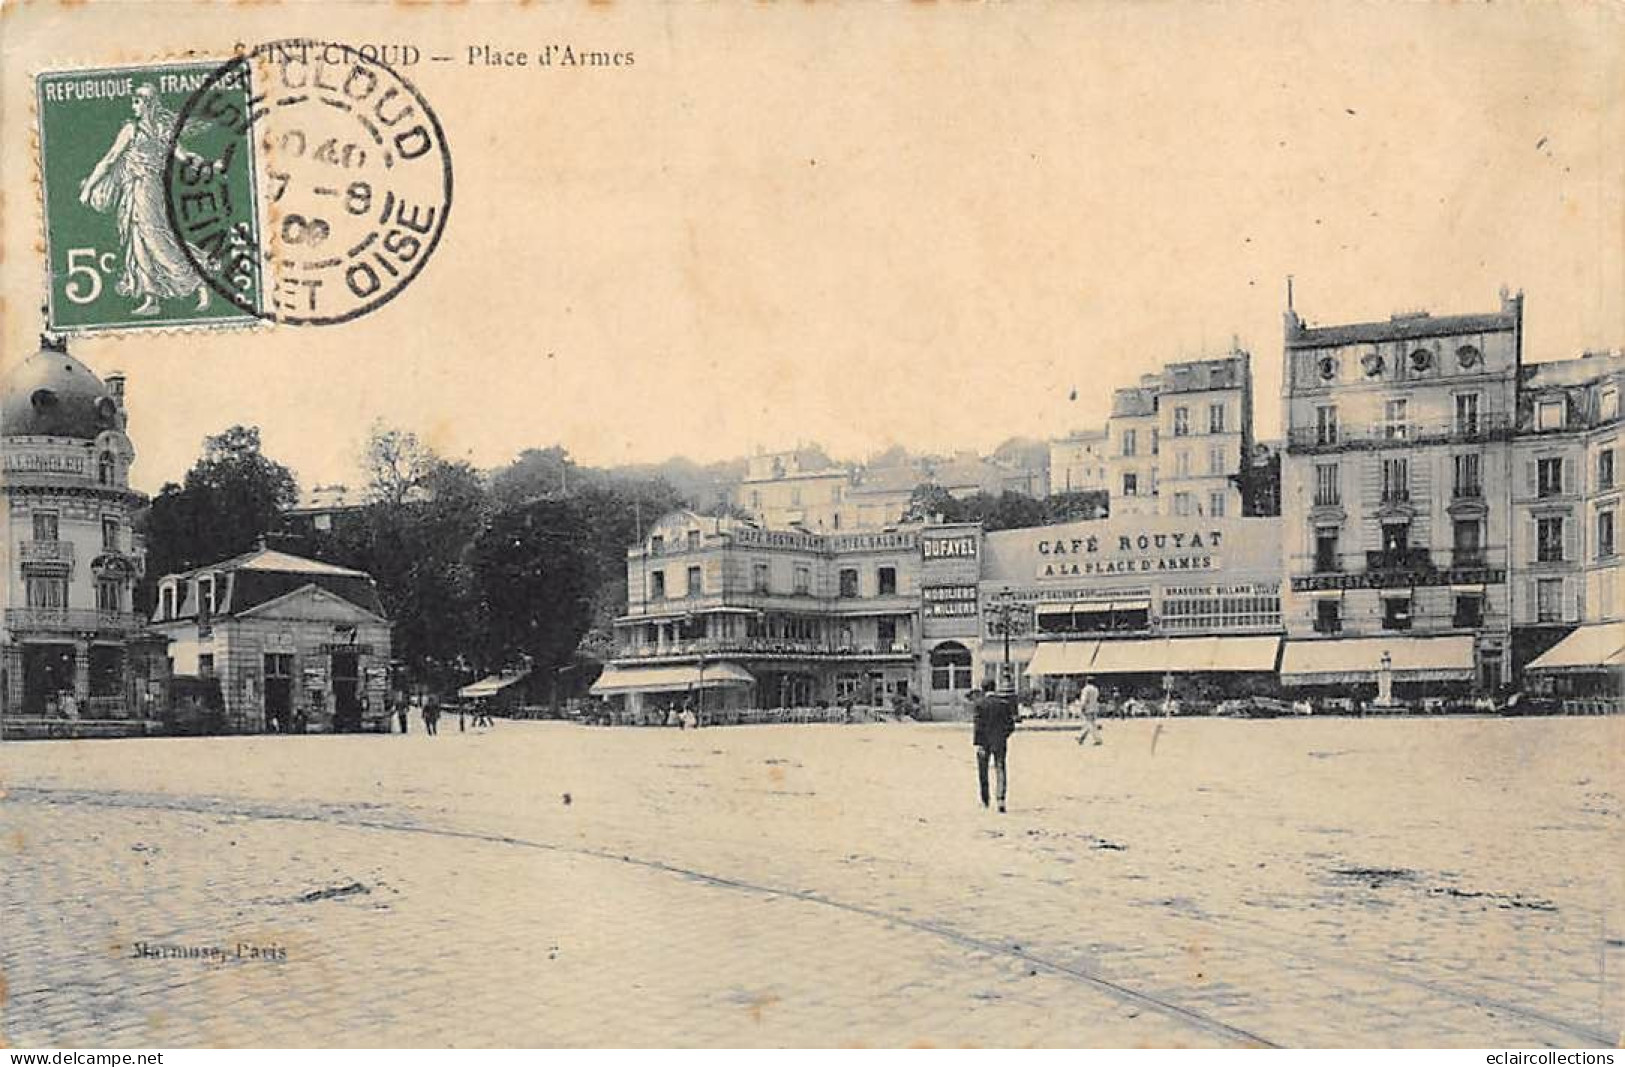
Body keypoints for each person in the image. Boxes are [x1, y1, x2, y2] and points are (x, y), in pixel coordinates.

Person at [77, 84, 217, 316]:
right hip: (133, 189)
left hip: (152, 190)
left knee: (158, 239)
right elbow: (110, 159)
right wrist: (89, 187)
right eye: (134, 101)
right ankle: (151, 298)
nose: (134, 106)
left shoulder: (161, 128)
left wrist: (198, 162)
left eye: (138, 101)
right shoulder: (131, 129)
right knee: (137, 241)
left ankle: (198, 279)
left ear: (150, 103)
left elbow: (180, 154)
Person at [971, 687, 1017, 813]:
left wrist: (978, 743)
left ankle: (985, 799)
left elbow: (978, 726)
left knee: (983, 771)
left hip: (984, 742)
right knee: (1000, 768)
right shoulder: (1003, 704)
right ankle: (1001, 799)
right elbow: (1011, 725)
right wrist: (1003, 736)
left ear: (983, 689)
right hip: (999, 741)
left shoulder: (980, 704)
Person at [1075, 676, 1103, 746]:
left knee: (1090, 724)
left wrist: (1082, 707)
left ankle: (1097, 739)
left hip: (1088, 708)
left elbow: (1084, 699)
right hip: (1094, 708)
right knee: (1090, 723)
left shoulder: (1086, 689)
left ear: (1086, 681)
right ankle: (1080, 737)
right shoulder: (1096, 689)